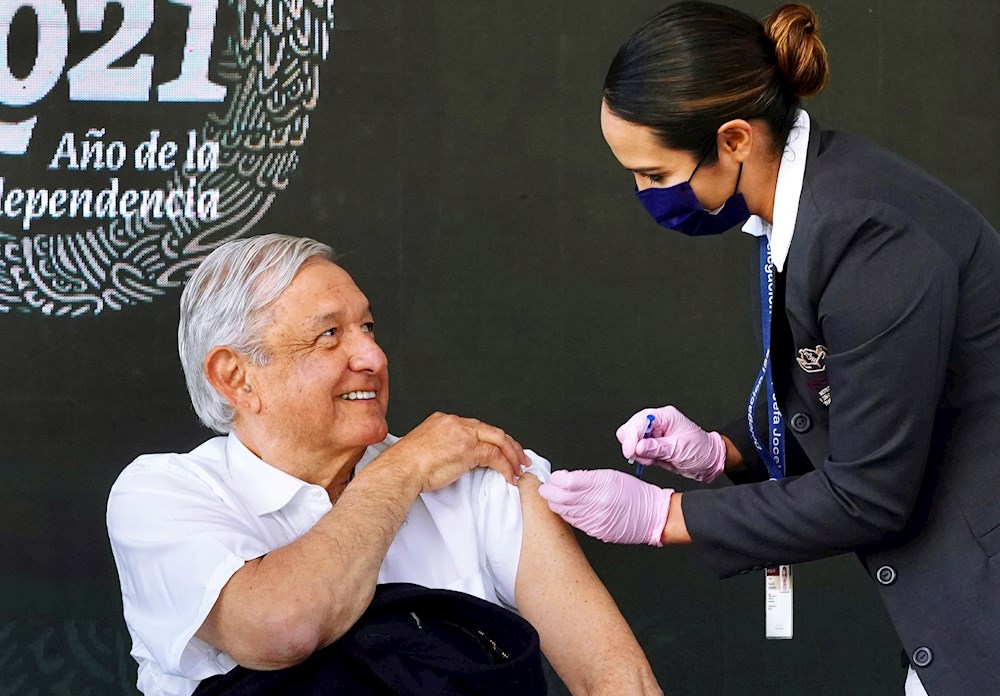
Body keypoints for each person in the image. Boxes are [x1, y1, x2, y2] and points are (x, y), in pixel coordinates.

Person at [538, 3, 1000, 696]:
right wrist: (725, 450)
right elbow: (864, 390)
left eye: (656, 175)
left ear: (733, 140)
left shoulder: (866, 236)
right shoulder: (805, 205)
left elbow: (870, 495)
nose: (644, 195)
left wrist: (661, 516)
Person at [107, 234, 661, 696]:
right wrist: (403, 468)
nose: (373, 357)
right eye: (329, 335)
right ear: (236, 378)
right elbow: (279, 628)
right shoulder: (162, 495)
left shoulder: (480, 479)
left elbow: (617, 680)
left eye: (367, 328)